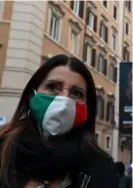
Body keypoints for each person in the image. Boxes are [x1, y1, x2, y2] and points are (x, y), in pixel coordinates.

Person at [0, 54, 118, 188]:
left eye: (76, 93)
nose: (63, 101)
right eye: (52, 87)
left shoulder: (102, 168)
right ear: (31, 95)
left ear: (87, 108)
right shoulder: (3, 146)